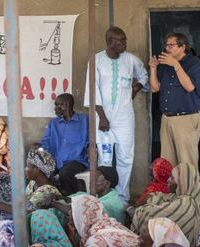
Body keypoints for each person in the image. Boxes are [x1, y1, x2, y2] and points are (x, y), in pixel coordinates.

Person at [84, 26, 148, 203]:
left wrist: (135, 89)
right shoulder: (96, 60)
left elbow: (144, 76)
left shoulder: (130, 60)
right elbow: (92, 90)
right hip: (103, 118)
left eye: (125, 40)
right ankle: (105, 198)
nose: (125, 44)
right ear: (110, 42)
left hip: (125, 118)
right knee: (105, 159)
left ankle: (122, 198)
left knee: (126, 158)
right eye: (122, 41)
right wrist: (102, 117)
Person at [149, 32, 200, 168]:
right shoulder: (165, 65)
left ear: (182, 47)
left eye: (171, 45)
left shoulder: (194, 63)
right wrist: (153, 68)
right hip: (167, 119)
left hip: (186, 118)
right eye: (166, 45)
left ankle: (189, 190)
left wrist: (176, 64)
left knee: (187, 162)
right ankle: (172, 190)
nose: (167, 48)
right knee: (167, 163)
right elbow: (155, 88)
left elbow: (190, 87)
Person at [129, 163, 200, 246]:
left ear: (182, 182)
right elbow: (157, 197)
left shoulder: (186, 203)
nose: (168, 180)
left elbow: (150, 216)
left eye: (172, 178)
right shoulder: (176, 197)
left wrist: (139, 210)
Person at [0, 148, 61, 215]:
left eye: (27, 166)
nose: (25, 169)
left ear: (37, 169)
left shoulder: (46, 191)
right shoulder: (33, 183)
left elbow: (31, 214)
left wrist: (1, 206)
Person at [41, 93, 89, 196]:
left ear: (68, 105)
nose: (56, 108)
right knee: (39, 171)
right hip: (55, 162)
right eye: (55, 105)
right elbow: (45, 142)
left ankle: (72, 198)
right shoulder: (53, 123)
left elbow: (91, 141)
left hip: (76, 161)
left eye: (59, 105)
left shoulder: (84, 120)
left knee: (65, 173)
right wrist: (40, 151)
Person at [68, 194, 139, 247]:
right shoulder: (108, 223)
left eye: (72, 211)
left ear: (82, 216)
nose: (69, 214)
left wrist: (72, 240)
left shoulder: (95, 242)